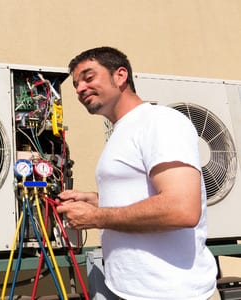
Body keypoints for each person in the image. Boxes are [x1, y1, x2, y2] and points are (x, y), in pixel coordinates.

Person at [56, 46, 218, 300]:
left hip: (170, 292)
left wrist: (96, 216)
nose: (80, 89)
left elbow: (181, 209)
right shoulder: (121, 131)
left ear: (120, 76)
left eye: (89, 78)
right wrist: (98, 200)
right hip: (126, 290)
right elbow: (146, 194)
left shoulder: (159, 121)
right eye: (76, 84)